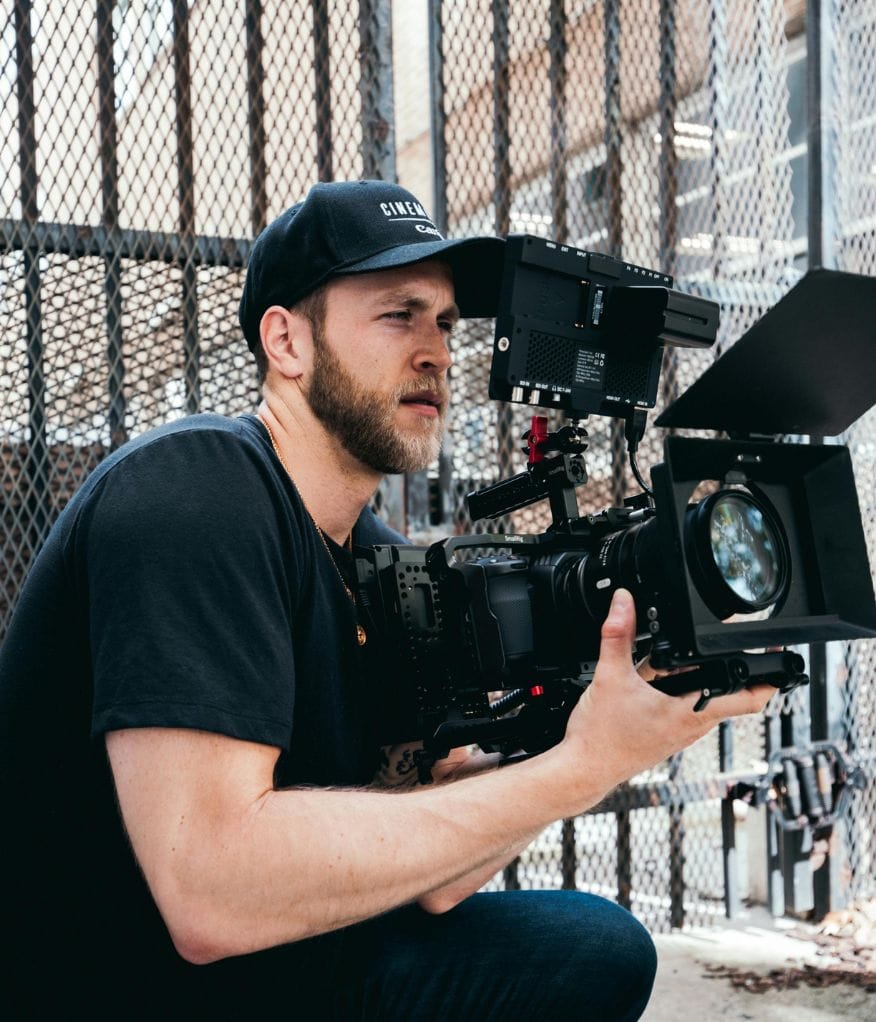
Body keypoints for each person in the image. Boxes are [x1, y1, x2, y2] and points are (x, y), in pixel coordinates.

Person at [0, 179, 774, 1017]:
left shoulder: (382, 560)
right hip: (111, 984)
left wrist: (585, 738)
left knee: (587, 951)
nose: (437, 351)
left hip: (261, 966)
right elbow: (209, 890)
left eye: (444, 322)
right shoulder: (196, 492)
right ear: (286, 341)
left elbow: (437, 885)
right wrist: (589, 766)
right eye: (397, 314)